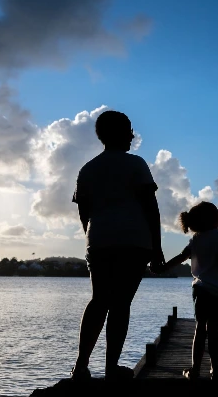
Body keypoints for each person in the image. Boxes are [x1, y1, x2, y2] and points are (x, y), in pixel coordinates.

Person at [70, 110, 165, 381]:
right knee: (121, 304)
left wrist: (94, 236)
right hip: (134, 243)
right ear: (122, 133)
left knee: (99, 300)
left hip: (100, 242)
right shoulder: (136, 164)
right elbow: (151, 208)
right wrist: (157, 248)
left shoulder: (87, 169)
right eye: (129, 130)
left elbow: (84, 214)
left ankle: (81, 366)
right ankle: (111, 368)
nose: (133, 136)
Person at [151, 201, 218, 380]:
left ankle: (195, 369)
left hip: (200, 290)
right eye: (216, 210)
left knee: (200, 329)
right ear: (209, 218)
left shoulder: (196, 239)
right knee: (214, 330)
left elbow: (180, 257)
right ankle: (215, 369)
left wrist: (162, 268)